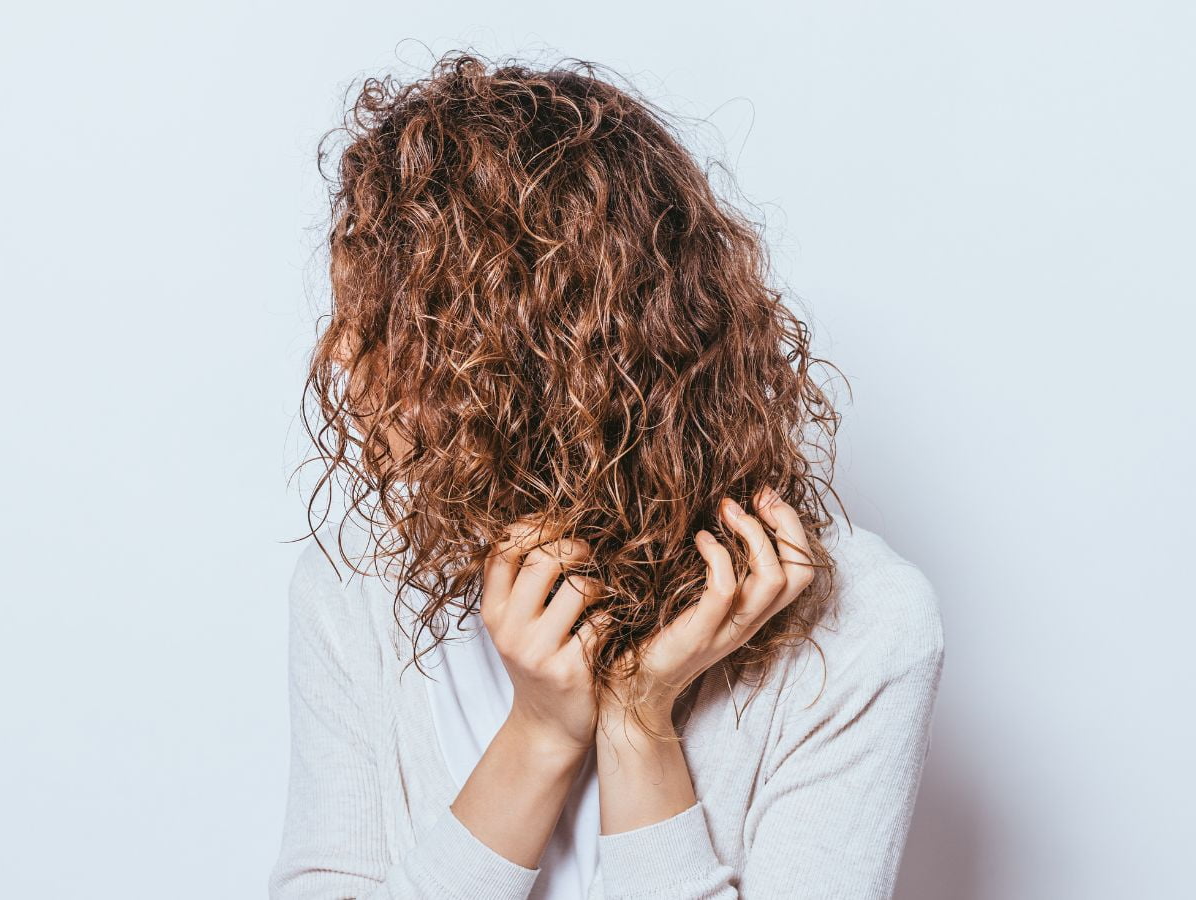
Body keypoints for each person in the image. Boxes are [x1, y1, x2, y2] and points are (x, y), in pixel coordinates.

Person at [269, 50, 946, 900]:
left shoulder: (866, 631)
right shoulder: (355, 587)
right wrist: (539, 735)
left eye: (389, 328)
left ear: (537, 361)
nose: (338, 356)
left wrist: (639, 723)